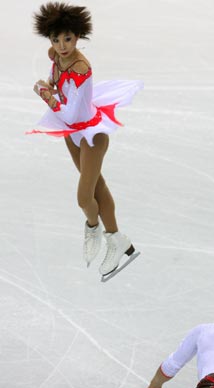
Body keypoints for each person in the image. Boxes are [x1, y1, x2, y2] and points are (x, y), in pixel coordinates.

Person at [29, 2, 143, 277]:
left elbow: (71, 111)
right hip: (72, 133)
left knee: (84, 198)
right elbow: (55, 83)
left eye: (67, 38)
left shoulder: (82, 69)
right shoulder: (55, 56)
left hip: (91, 134)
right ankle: (118, 240)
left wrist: (44, 95)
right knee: (98, 188)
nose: (62, 45)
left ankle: (95, 229)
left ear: (77, 36)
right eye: (56, 39)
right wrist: (49, 87)